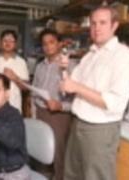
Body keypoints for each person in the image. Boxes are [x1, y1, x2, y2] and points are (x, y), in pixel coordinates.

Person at [59, 6, 129, 180]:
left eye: (103, 23)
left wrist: (76, 87)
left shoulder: (124, 58)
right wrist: (64, 69)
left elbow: (114, 103)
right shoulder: (90, 56)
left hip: (100, 130)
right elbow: (70, 86)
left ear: (114, 25)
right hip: (77, 124)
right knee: (72, 175)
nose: (97, 28)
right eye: (93, 23)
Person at [32, 29, 73, 180]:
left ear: (60, 43)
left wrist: (61, 106)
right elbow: (34, 92)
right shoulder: (39, 67)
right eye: (44, 44)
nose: (48, 47)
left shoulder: (69, 66)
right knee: (40, 153)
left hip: (59, 117)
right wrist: (34, 111)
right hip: (41, 113)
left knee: (58, 155)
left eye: (51, 42)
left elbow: (76, 99)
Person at [0, 30, 29, 112]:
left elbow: (25, 88)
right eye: (5, 40)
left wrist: (14, 77)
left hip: (14, 105)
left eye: (11, 41)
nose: (8, 43)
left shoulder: (21, 62)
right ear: (0, 42)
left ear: (15, 44)